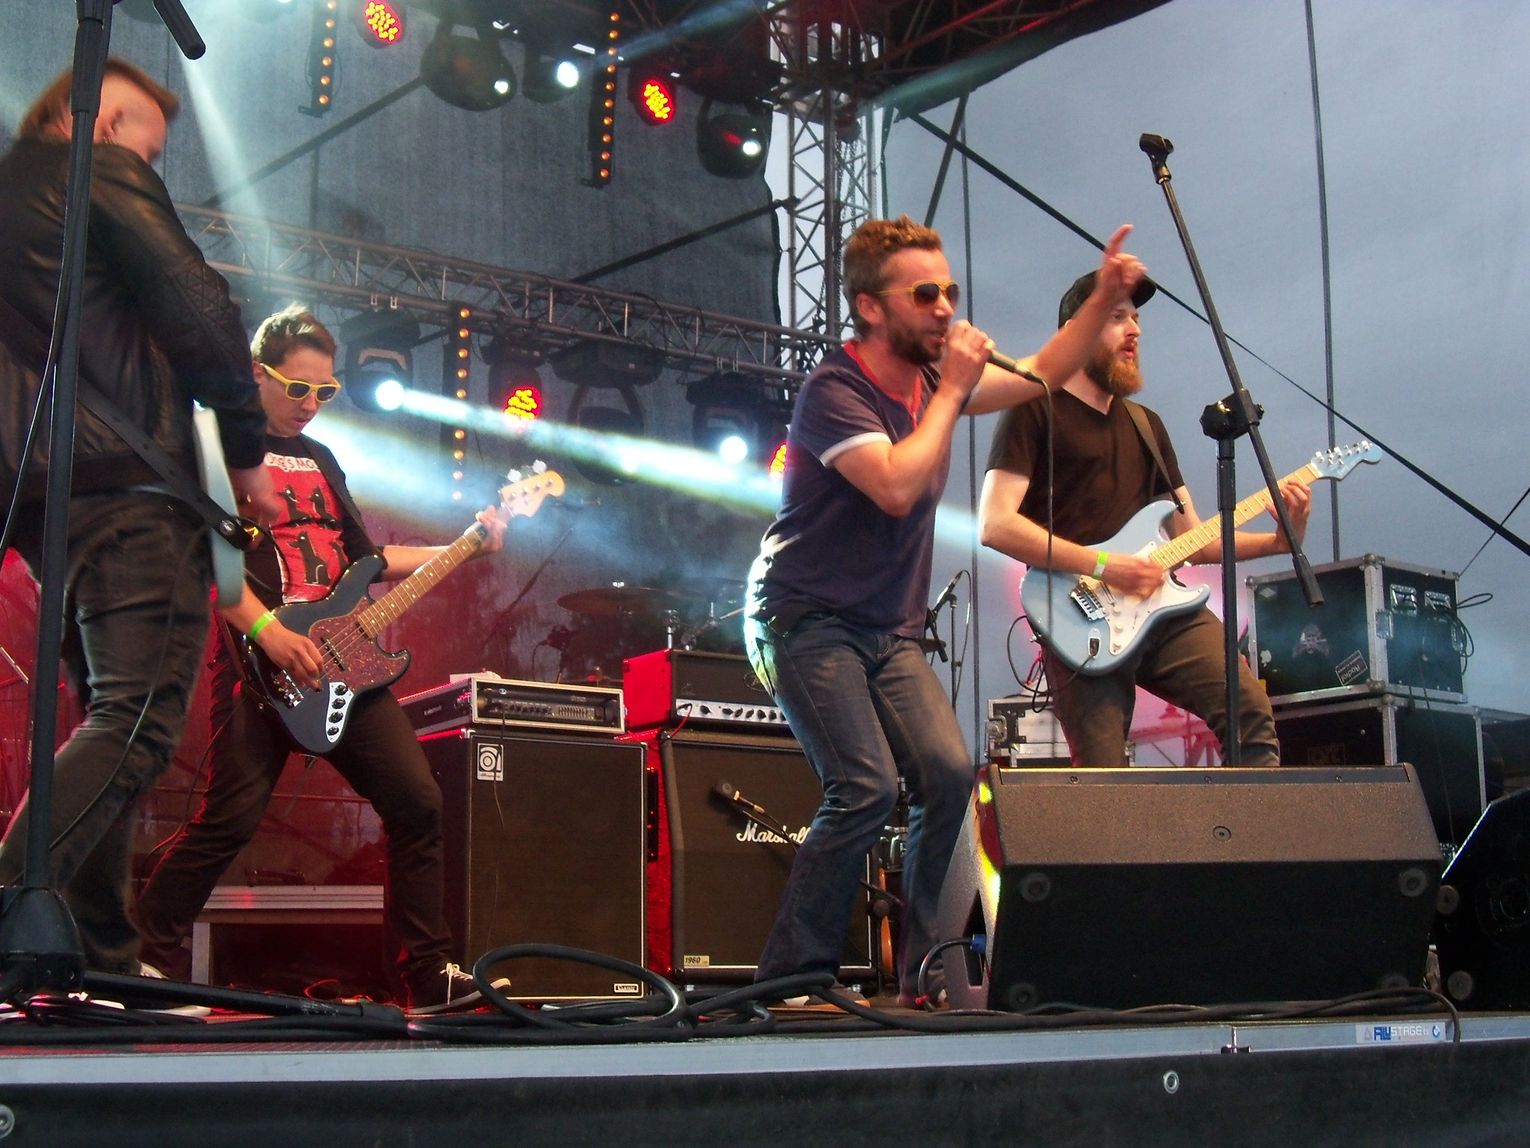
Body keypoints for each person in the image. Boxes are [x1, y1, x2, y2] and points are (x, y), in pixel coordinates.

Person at [743, 215, 1147, 1007]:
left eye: (950, 293)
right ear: (870, 307)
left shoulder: (931, 383)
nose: (945, 309)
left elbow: (1043, 372)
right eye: (924, 294)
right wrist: (955, 390)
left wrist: (1103, 297)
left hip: (885, 629)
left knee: (949, 773)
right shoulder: (836, 390)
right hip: (805, 619)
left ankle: (924, 972)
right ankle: (791, 978)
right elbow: (896, 486)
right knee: (864, 785)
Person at [132, 305, 507, 1008]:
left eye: (325, 392)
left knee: (418, 803)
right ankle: (145, 960)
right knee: (229, 820)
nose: (311, 404)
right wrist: (268, 632)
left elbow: (369, 561)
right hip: (261, 663)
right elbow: (205, 560)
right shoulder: (218, 449)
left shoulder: (323, 460)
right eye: (298, 387)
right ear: (257, 374)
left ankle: (427, 976)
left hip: (345, 664)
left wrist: (464, 547)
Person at [0, 59, 279, 976]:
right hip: (128, 490)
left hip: (45, 502)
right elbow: (197, 304)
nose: (149, 166)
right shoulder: (95, 171)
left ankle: (97, 959)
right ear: (99, 124)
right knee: (138, 720)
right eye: (147, 151)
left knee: (107, 716)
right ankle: (9, 914)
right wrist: (246, 449)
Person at [978, 270, 1312, 767]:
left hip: (1162, 610)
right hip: (1077, 615)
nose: (1134, 330)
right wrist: (1103, 565)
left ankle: (1253, 820)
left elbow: (1192, 540)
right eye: (1116, 318)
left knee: (1249, 710)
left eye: (1135, 319)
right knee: (1106, 777)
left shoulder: (1146, 425)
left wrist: (1278, 542)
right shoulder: (1033, 408)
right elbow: (995, 524)